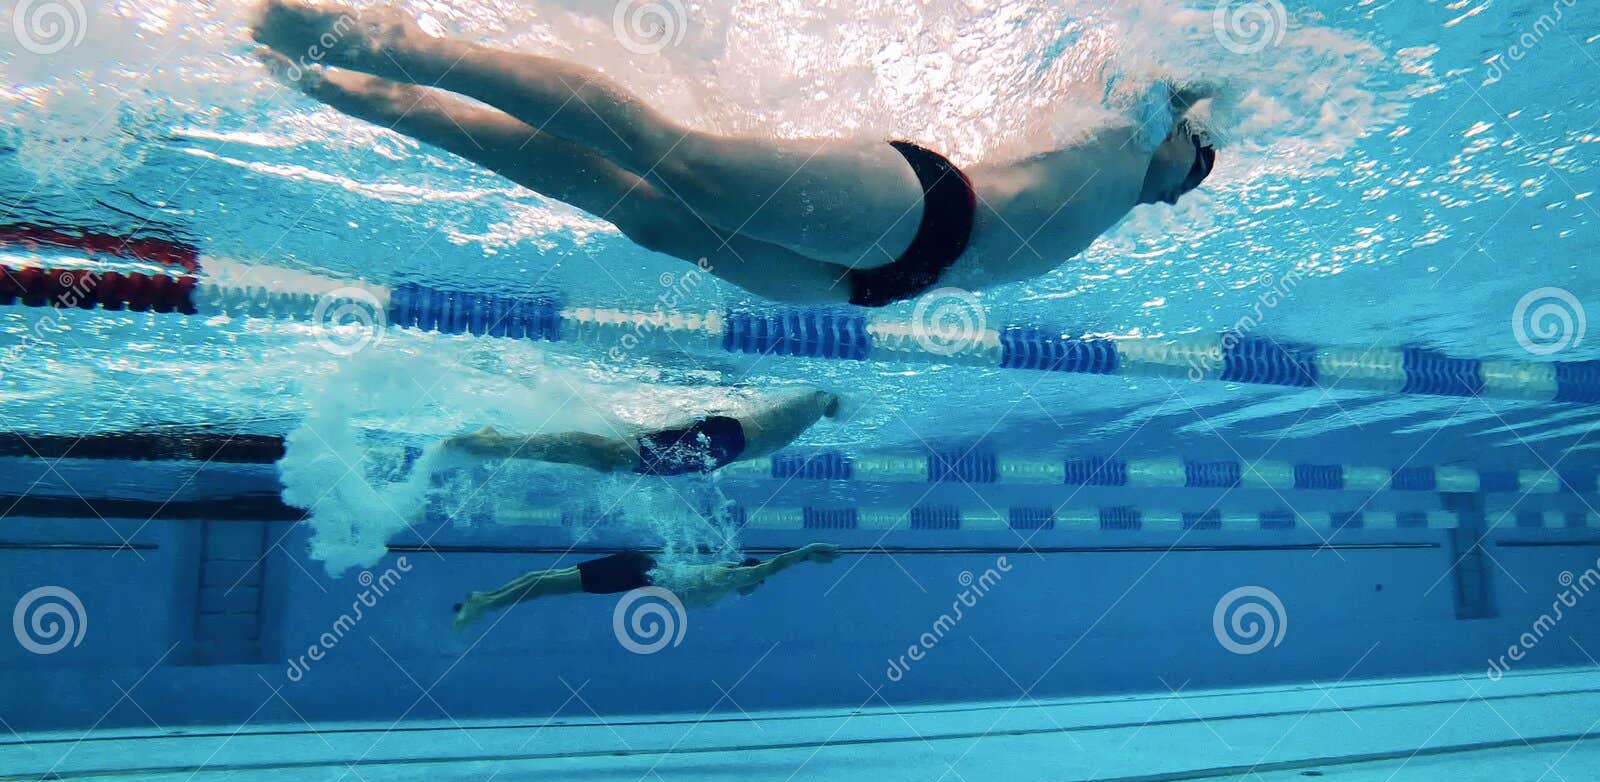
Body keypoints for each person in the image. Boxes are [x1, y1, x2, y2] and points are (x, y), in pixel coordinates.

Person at [251, 1, 1218, 307]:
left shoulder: (1123, 177)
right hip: (922, 209)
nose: (1186, 190)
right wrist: (1195, 99)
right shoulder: (1130, 129)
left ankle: (368, 97)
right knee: (680, 159)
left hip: (865, 286)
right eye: (1200, 163)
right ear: (1179, 133)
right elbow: (1151, 59)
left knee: (645, 213)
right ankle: (392, 45)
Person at [442, 388, 839, 475]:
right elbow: (826, 395)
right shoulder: (815, 404)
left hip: (719, 447)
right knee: (608, 457)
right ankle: (498, 443)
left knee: (610, 457)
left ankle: (500, 443)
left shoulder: (802, 414)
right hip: (723, 442)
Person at [452, 543, 843, 631]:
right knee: (550, 586)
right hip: (638, 573)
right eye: (756, 582)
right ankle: (485, 605)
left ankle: (484, 598)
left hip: (638, 568)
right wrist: (808, 553)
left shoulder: (722, 579)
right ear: (750, 576)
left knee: (547, 580)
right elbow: (776, 565)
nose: (756, 587)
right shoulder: (733, 577)